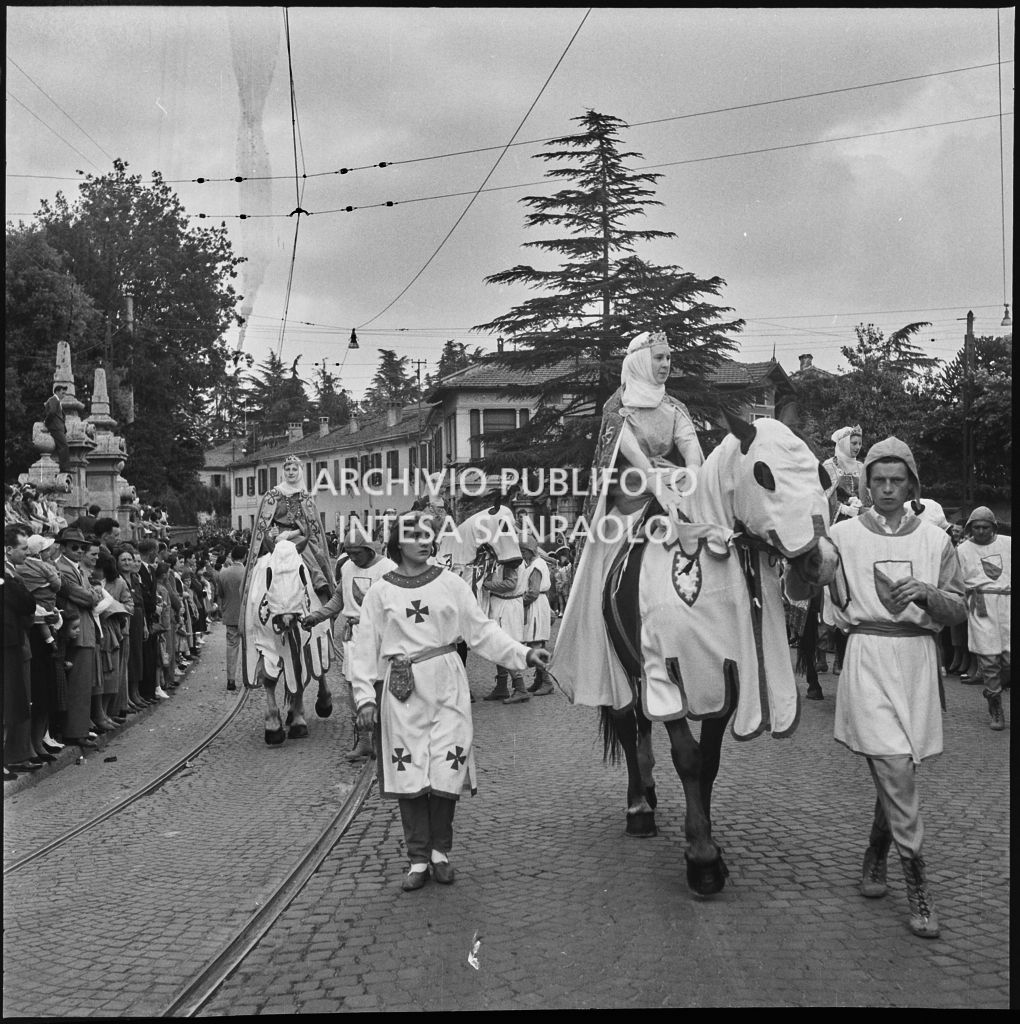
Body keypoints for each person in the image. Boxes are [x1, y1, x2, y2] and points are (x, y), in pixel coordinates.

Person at [348, 511, 550, 892]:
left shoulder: (452, 583)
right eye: (415, 536)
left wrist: (523, 654)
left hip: (447, 684)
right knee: (409, 772)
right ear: (397, 542)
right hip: (403, 690)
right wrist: (364, 698)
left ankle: (441, 853)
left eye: (429, 535)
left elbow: (482, 631)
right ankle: (418, 858)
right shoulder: (381, 592)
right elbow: (364, 647)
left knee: (446, 766)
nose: (425, 541)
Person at [820, 437, 966, 939]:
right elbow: (801, 590)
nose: (886, 489)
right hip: (868, 655)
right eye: (877, 480)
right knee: (896, 766)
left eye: (896, 480)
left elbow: (960, 608)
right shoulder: (840, 536)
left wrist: (928, 594)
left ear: (911, 484)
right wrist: (804, 560)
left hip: (919, 661)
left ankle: (875, 853)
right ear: (865, 483)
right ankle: (918, 882)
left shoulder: (935, 539)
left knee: (900, 762)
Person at [552, 330, 704, 710]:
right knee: (607, 562)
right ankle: (604, 636)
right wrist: (659, 481)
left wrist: (690, 474)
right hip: (633, 499)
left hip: (675, 491)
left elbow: (693, 452)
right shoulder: (617, 408)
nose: (666, 364)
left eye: (669, 358)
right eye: (659, 358)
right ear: (640, 361)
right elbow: (633, 456)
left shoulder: (675, 408)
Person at [301, 520, 395, 760]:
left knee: (381, 686)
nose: (352, 558)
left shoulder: (388, 568)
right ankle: (364, 741)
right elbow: (338, 600)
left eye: (356, 553)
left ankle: (386, 740)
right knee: (355, 689)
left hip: (381, 637)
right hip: (354, 637)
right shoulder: (347, 568)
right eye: (349, 553)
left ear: (369, 549)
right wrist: (316, 616)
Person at [239, 453, 334, 691]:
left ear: (300, 472)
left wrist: (290, 535)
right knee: (263, 567)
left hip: (298, 539)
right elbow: (264, 523)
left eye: (294, 469)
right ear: (284, 472)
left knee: (313, 563)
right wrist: (273, 535)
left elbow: (310, 527)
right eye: (288, 469)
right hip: (274, 540)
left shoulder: (306, 497)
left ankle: (323, 596)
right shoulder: (272, 496)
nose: (291, 473)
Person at [956, 507, 1010, 730]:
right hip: (980, 606)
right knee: (989, 660)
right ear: (970, 528)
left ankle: (992, 689)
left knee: (1008, 660)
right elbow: (957, 580)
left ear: (993, 527)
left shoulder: (1007, 543)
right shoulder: (963, 550)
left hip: (1007, 604)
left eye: (985, 527)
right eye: (976, 527)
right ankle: (995, 705)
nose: (980, 531)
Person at [54, 528, 103, 749]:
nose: (78, 550)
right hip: (77, 631)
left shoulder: (73, 568)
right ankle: (76, 730)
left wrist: (92, 594)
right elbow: (83, 596)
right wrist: (92, 594)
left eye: (81, 547)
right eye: (74, 546)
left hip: (84, 629)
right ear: (63, 547)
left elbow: (89, 594)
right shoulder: (62, 567)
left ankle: (81, 727)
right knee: (78, 684)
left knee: (84, 684)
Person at [4, 524, 42, 779]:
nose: (27, 554)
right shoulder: (7, 575)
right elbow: (27, 603)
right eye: (23, 549)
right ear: (8, 549)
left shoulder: (11, 573)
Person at [519, 536, 554, 695]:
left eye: (523, 551)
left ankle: (546, 682)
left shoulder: (537, 565)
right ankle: (539, 681)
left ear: (529, 550)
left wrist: (518, 604)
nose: (522, 554)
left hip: (536, 605)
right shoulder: (534, 564)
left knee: (536, 645)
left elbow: (533, 592)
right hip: (537, 604)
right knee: (538, 645)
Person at [216, 544, 247, 692]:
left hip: (230, 614)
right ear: (244, 556)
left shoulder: (223, 573)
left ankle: (231, 679)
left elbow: (220, 594)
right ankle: (250, 677)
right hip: (246, 615)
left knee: (231, 648)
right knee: (249, 648)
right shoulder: (248, 573)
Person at [43, 383, 81, 484]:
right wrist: (46, 423)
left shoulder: (57, 401)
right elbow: (51, 413)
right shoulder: (53, 400)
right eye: (62, 392)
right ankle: (64, 468)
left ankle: (65, 468)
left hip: (58, 428)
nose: (64, 394)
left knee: (63, 446)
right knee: (64, 446)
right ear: (57, 392)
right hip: (55, 428)